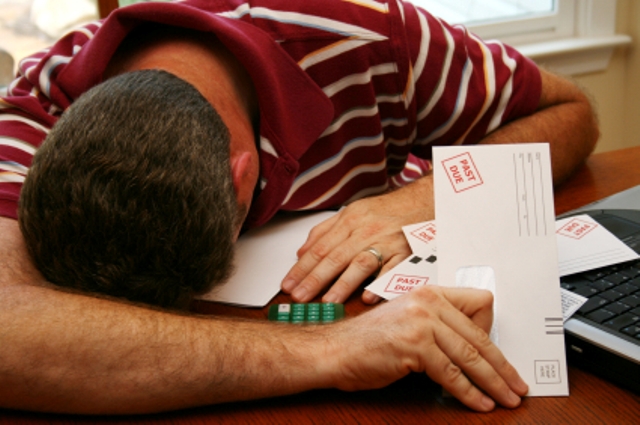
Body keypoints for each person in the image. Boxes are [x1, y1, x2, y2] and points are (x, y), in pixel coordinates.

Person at [0, 0, 598, 415]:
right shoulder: (42, 99)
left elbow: (571, 113)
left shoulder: (378, 39)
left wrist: (419, 199)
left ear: (242, 177)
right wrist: (336, 350)